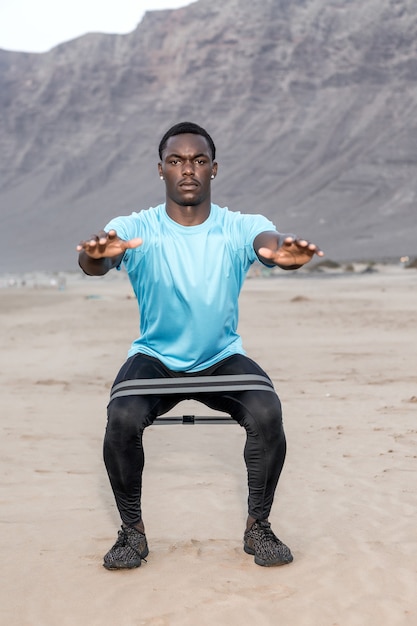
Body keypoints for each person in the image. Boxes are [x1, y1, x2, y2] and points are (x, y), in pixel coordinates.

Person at [77, 121, 323, 570]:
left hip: (220, 357)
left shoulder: (239, 225)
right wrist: (95, 255)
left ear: (213, 169)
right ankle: (132, 534)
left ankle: (258, 529)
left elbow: (268, 244)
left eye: (198, 160)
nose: (187, 168)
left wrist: (282, 255)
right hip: (154, 357)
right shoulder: (135, 226)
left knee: (267, 411)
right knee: (122, 417)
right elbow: (97, 259)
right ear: (161, 170)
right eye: (176, 161)